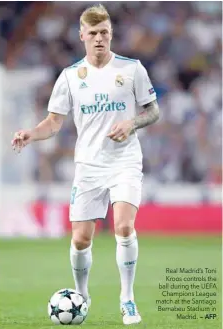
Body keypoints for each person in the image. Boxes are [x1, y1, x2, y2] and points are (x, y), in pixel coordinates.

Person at [11, 4, 160, 325]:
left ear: (111, 35)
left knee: (123, 226)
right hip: (89, 166)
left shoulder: (132, 69)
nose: (99, 39)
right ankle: (82, 295)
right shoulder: (69, 77)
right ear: (82, 36)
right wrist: (30, 134)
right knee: (80, 240)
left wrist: (132, 123)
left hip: (124, 161)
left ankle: (128, 299)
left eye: (104, 33)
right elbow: (53, 123)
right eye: (92, 33)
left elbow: (153, 112)